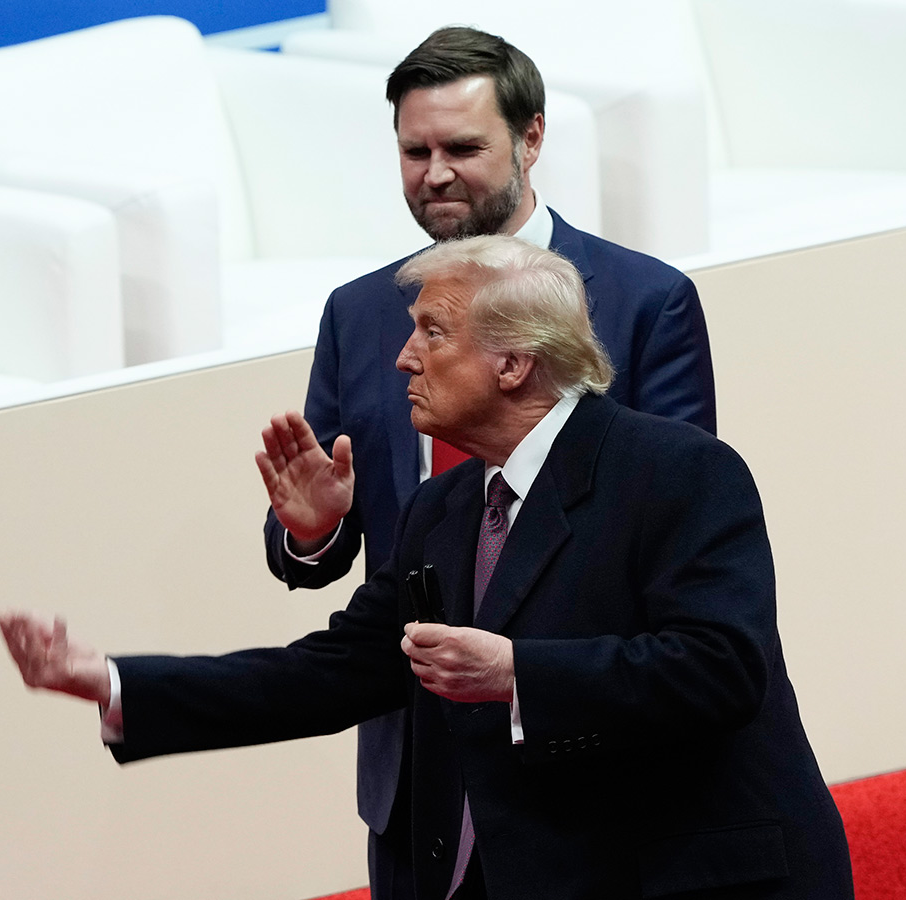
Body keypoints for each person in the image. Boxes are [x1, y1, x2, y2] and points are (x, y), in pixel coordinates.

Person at [1, 235, 852, 900]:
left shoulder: (676, 471)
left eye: (431, 333)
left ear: (514, 361)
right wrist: (114, 683)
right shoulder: (442, 510)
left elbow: (720, 668)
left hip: (687, 884)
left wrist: (520, 674)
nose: (404, 358)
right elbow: (335, 673)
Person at [261, 26, 717, 897]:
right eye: (414, 150)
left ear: (532, 137)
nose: (435, 173)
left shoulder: (643, 301)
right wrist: (312, 534)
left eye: (463, 148)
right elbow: (321, 536)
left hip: (584, 768)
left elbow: (674, 538)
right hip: (415, 773)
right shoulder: (360, 315)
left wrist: (530, 676)